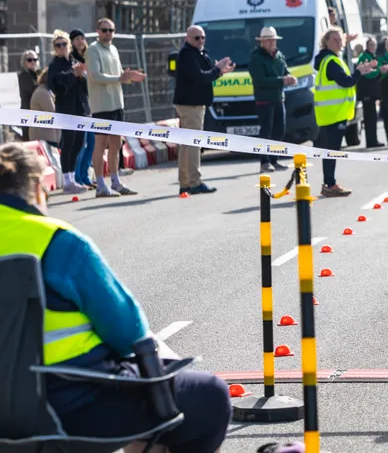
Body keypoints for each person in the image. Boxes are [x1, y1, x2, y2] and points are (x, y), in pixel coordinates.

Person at [0, 141, 231, 450]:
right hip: (68, 405)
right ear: (38, 186)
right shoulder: (55, 241)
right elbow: (129, 332)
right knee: (209, 396)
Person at [85, 18, 145, 198]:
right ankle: (101, 185)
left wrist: (130, 77)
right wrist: (120, 78)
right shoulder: (93, 50)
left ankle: (115, 181)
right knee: (100, 144)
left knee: (116, 144)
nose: (108, 33)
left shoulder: (114, 49)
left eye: (111, 30)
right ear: (98, 31)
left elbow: (119, 76)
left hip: (117, 103)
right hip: (101, 105)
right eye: (104, 30)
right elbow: (95, 76)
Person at [313, 26, 376, 197]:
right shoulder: (331, 61)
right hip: (334, 114)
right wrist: (358, 73)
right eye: (335, 40)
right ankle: (330, 184)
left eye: (341, 39)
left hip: (330, 113)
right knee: (332, 151)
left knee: (330, 151)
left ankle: (329, 182)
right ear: (326, 42)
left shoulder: (328, 59)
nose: (339, 43)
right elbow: (346, 82)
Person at [172, 25, 234, 195]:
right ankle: (194, 181)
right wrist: (218, 69)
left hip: (194, 103)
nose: (200, 41)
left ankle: (185, 182)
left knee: (187, 144)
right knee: (193, 144)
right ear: (187, 38)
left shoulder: (199, 53)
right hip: (191, 104)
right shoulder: (187, 54)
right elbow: (200, 77)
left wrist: (219, 72)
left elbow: (207, 74)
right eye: (196, 38)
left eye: (202, 37)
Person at [45, 32, 89, 194]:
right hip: (66, 110)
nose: (62, 47)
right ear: (54, 49)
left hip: (80, 109)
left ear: (69, 46)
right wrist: (73, 75)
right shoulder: (54, 66)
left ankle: (72, 178)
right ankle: (67, 181)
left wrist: (80, 76)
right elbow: (57, 86)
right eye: (58, 45)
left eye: (64, 44)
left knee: (79, 144)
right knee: (68, 143)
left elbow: (86, 86)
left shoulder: (75, 62)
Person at [249, 26, 297, 171]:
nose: (271, 43)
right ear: (262, 42)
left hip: (278, 98)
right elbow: (260, 80)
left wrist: (289, 77)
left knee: (279, 129)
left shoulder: (280, 55)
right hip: (264, 99)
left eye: (273, 40)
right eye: (268, 40)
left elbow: (285, 70)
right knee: (266, 130)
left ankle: (274, 159)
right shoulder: (256, 57)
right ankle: (264, 161)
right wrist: (282, 81)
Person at [69, 30, 96, 188]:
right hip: (79, 108)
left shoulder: (90, 57)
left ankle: (85, 176)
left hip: (91, 106)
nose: (80, 41)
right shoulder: (73, 60)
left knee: (91, 145)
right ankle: (77, 177)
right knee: (82, 144)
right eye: (76, 39)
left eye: (81, 38)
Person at [355, 36, 384, 149]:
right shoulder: (364, 57)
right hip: (366, 91)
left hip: (372, 91)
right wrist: (379, 71)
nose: (373, 47)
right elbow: (367, 73)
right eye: (371, 45)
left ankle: (373, 139)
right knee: (369, 117)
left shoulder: (372, 56)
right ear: (367, 46)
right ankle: (371, 141)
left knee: (372, 117)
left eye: (374, 45)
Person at [28, 70, 60, 149]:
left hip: (48, 135)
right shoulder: (43, 93)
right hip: (44, 136)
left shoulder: (46, 91)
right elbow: (53, 111)